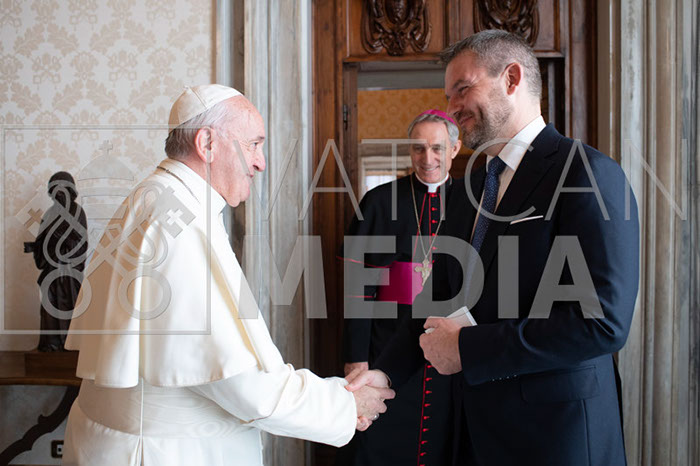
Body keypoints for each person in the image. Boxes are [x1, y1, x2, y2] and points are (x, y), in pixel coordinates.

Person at [349, 30, 639, 466]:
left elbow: (602, 323)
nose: (452, 107)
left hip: (556, 437)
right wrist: (384, 374)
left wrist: (467, 348)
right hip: (471, 433)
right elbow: (437, 298)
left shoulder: (587, 174)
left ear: (512, 78)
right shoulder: (470, 186)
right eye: (448, 96)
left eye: (462, 89)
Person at [62, 84, 394, 466]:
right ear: (207, 143)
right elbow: (241, 385)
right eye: (254, 144)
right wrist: (345, 403)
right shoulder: (180, 222)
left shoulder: (157, 197)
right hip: (162, 453)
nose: (261, 163)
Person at [337, 110, 462, 466]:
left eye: (437, 148)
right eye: (418, 148)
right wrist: (356, 355)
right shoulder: (379, 202)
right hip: (387, 341)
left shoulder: (472, 203)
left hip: (450, 343)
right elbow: (358, 288)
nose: (427, 158)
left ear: (454, 149)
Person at [26, 171, 88, 351]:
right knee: (49, 307)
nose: (58, 194)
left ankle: (70, 346)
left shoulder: (77, 211)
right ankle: (50, 344)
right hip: (51, 271)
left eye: (62, 189)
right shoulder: (50, 213)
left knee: (69, 307)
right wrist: (34, 247)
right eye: (55, 190)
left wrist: (59, 238)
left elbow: (81, 242)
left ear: (70, 190)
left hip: (69, 272)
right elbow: (43, 240)